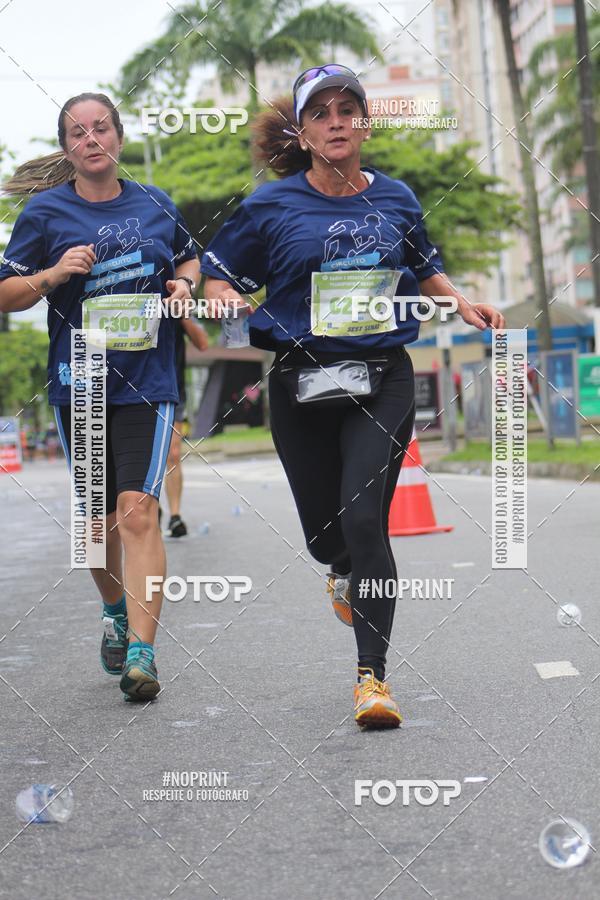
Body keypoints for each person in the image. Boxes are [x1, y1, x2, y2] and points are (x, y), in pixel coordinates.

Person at [201, 65, 505, 729]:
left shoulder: (396, 197)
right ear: (304, 132)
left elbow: (425, 268)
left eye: (349, 109)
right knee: (326, 534)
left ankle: (373, 678)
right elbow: (218, 276)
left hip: (381, 375)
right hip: (300, 380)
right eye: (322, 113)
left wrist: (462, 301)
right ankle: (339, 566)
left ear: (364, 123)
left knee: (367, 521)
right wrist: (221, 297)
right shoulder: (272, 206)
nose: (337, 122)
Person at [0, 92, 200, 701]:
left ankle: (143, 651)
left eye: (102, 127)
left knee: (138, 509)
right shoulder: (44, 214)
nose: (92, 139)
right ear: (67, 148)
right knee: (94, 526)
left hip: (148, 378)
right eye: (78, 132)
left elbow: (191, 260)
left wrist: (184, 288)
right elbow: (7, 293)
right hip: (80, 380)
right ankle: (114, 610)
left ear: (118, 135)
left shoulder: (156, 203)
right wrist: (53, 275)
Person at [162, 317, 209, 537]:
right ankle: (148, 507)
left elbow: (202, 342)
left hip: (171, 389)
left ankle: (174, 516)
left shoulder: (174, 294)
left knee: (173, 453)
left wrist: (180, 312)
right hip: (132, 390)